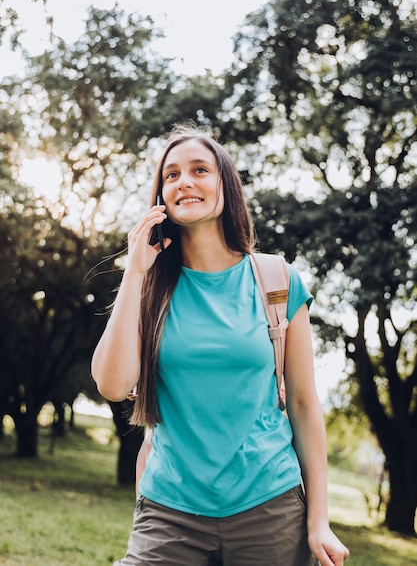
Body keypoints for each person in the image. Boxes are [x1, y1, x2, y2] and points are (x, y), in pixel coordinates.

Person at [91, 123, 349, 566]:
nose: (184, 182)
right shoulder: (149, 287)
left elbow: (305, 405)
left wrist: (318, 520)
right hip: (169, 512)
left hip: (269, 507)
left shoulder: (277, 281)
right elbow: (113, 386)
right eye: (171, 175)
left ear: (224, 185)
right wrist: (133, 272)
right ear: (160, 197)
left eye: (199, 170)